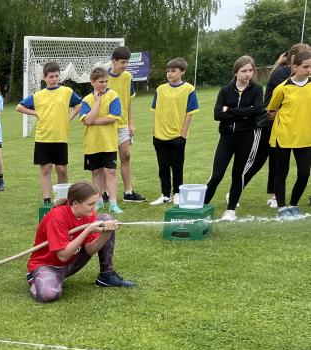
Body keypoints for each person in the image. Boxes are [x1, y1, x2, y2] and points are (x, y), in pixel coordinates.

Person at [26, 182, 135, 303]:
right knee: (48, 294)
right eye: (90, 204)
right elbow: (63, 256)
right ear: (76, 203)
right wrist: (87, 230)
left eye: (95, 203)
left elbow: (89, 250)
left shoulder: (87, 213)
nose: (94, 208)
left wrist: (106, 233)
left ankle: (106, 276)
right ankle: (36, 279)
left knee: (106, 219)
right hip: (49, 265)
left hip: (71, 262)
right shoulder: (57, 217)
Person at [203, 55, 266, 221]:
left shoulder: (257, 89)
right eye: (244, 71)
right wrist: (244, 113)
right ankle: (202, 207)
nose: (248, 74)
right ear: (236, 72)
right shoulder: (225, 91)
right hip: (226, 138)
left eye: (250, 70)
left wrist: (229, 110)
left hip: (247, 137)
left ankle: (230, 210)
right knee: (216, 175)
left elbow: (257, 110)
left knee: (238, 175)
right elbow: (217, 115)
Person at [16, 61, 82, 204]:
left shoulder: (67, 92)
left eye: (57, 76)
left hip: (60, 137)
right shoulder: (38, 95)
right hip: (43, 138)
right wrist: (35, 113)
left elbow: (79, 105)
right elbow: (19, 107)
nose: (54, 79)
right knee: (45, 169)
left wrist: (69, 117)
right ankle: (47, 200)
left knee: (62, 169)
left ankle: (62, 199)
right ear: (44, 78)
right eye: (51, 77)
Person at [266, 49, 311, 219]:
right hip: (283, 136)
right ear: (295, 66)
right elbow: (271, 111)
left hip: (305, 137)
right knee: (281, 173)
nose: (309, 70)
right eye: (305, 67)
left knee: (304, 173)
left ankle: (293, 204)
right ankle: (282, 208)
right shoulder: (282, 88)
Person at [150, 58, 199, 205]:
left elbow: (189, 114)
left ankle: (177, 193)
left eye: (173, 71)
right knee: (163, 167)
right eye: (168, 71)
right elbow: (156, 111)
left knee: (177, 167)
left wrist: (183, 135)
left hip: (177, 136)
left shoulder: (189, 89)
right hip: (159, 136)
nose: (169, 73)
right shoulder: (160, 89)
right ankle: (165, 195)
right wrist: (155, 132)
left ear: (182, 71)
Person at [80, 67, 123, 214]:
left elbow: (113, 118)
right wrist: (97, 103)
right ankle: (98, 201)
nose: (104, 84)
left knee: (110, 171)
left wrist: (92, 120)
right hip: (92, 144)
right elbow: (86, 120)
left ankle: (113, 203)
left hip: (109, 143)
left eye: (106, 81)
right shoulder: (86, 100)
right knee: (96, 172)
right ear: (92, 82)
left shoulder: (113, 96)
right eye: (101, 82)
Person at [108, 46, 145, 203]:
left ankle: (128, 192)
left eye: (127, 62)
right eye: (122, 62)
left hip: (123, 124)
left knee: (126, 155)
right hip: (107, 125)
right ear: (113, 61)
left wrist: (130, 123)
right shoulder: (104, 77)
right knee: (107, 161)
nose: (125, 65)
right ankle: (105, 193)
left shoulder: (128, 76)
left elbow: (129, 101)